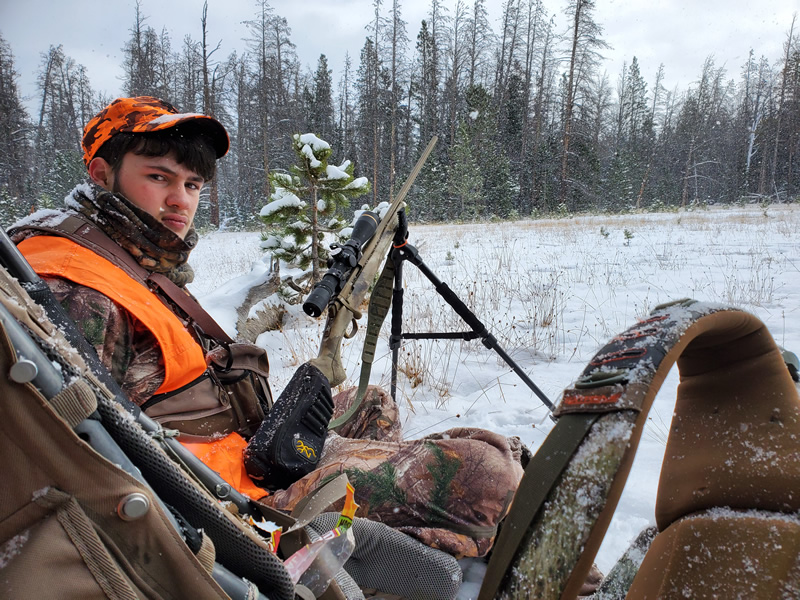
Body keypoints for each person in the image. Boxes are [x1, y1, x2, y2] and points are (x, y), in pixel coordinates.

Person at [8, 96, 526, 561]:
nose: (180, 202)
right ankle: (361, 545)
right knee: (488, 469)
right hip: (233, 512)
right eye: (159, 177)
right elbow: (82, 463)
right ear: (102, 174)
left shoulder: (120, 258)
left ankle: (381, 541)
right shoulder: (74, 288)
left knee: (371, 403)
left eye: (191, 185)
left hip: (246, 457)